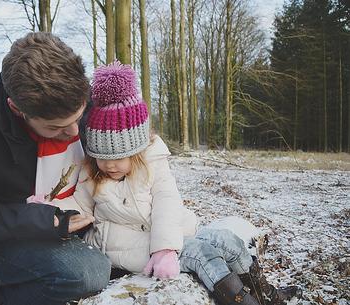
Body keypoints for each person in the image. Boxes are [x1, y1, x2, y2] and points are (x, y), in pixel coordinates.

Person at [51, 61, 300, 305]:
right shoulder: (92, 174)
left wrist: (166, 248)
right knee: (201, 254)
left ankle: (265, 294)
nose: (110, 165)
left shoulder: (153, 163)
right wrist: (51, 211)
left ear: (137, 151)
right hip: (124, 247)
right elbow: (79, 205)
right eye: (102, 158)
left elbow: (166, 202)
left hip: (165, 237)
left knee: (226, 239)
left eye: (119, 158)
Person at [0, 32, 111, 305]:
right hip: (5, 238)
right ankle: (9, 296)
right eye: (55, 127)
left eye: (79, 115)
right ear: (17, 109)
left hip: (75, 215)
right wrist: (40, 220)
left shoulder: (78, 95)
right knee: (88, 273)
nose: (74, 131)